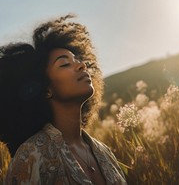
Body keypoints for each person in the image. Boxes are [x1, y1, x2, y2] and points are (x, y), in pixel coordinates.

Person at [0, 14, 127, 184]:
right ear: (46, 90)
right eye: (64, 64)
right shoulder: (31, 156)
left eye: (78, 60)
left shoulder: (104, 153)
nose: (81, 65)